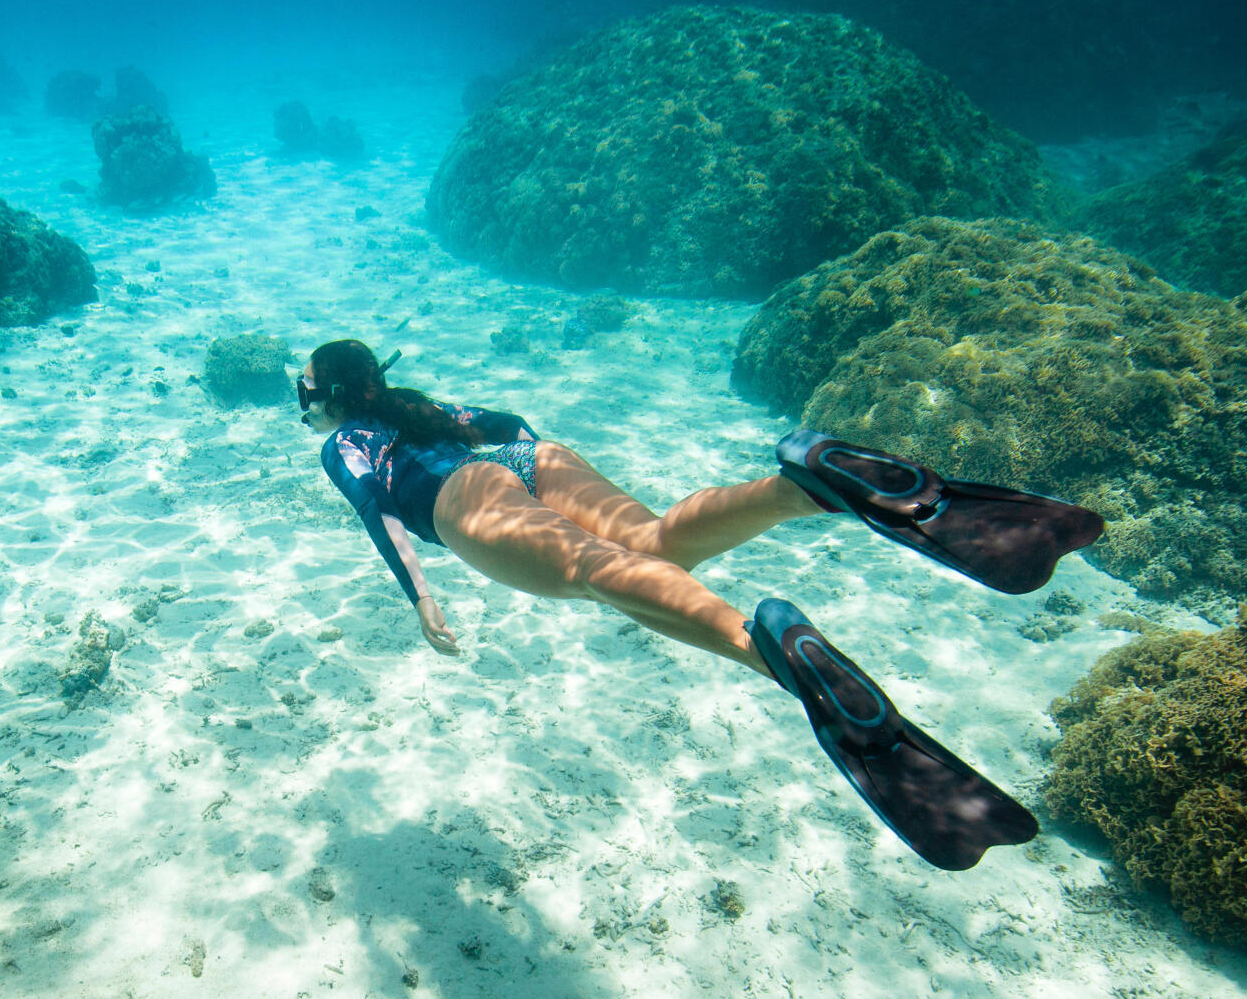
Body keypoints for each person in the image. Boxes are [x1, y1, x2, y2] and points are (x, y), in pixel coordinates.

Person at [300, 339, 1105, 872]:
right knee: (645, 541)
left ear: (331, 396)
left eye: (305, 392)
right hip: (527, 459)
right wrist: (526, 475)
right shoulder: (417, 404)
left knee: (593, 569)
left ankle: (771, 656)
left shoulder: (344, 442)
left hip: (462, 495)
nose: (303, 404)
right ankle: (804, 489)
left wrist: (421, 594)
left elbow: (379, 512)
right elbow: (507, 423)